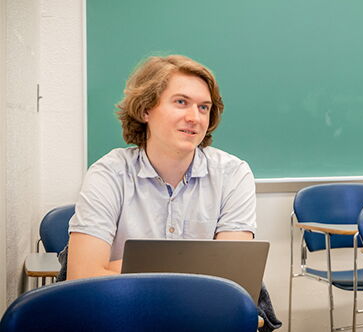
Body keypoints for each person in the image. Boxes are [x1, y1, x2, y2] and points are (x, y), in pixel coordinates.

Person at [66, 55, 256, 279]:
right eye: (181, 102)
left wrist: (117, 268)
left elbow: (232, 275)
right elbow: (82, 277)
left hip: (203, 309)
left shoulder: (233, 174)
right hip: (124, 307)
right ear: (146, 109)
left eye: (204, 107)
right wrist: (197, 266)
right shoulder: (109, 174)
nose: (195, 117)